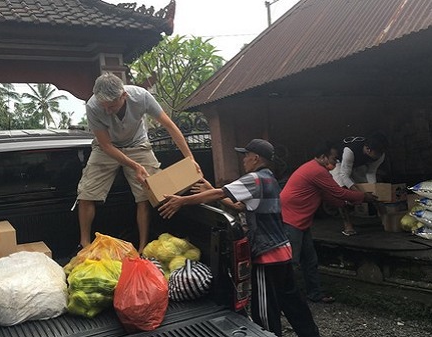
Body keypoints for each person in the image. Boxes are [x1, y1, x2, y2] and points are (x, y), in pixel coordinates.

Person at [159, 139, 320, 337]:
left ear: (256, 157)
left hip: (267, 254)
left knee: (264, 308)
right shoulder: (269, 178)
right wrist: (209, 187)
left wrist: (182, 201)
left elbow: (220, 193)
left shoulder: (255, 178)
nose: (243, 159)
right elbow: (239, 206)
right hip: (283, 250)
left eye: (245, 155)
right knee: (292, 300)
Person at [75, 72, 199, 253]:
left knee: (146, 195)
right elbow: (106, 145)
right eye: (104, 106)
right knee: (86, 192)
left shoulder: (142, 97)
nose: (108, 111)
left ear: (123, 96)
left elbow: (170, 126)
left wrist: (190, 158)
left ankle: (142, 248)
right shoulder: (93, 106)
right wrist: (135, 166)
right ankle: (84, 244)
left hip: (138, 144)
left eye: (112, 106)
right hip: (106, 149)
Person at [280, 140, 377, 303]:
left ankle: (314, 294)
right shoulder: (317, 171)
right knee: (291, 262)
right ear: (323, 157)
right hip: (291, 221)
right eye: (334, 158)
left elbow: (328, 196)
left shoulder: (313, 169)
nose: (335, 162)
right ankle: (284, 300)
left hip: (300, 222)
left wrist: (347, 203)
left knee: (310, 261)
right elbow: (338, 192)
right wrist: (363, 197)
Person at [331, 132, 388, 235]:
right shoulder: (350, 151)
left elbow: (371, 172)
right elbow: (344, 175)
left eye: (381, 153)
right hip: (340, 164)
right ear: (368, 149)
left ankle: (386, 221)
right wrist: (360, 194)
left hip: (358, 165)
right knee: (342, 192)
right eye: (377, 154)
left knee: (376, 193)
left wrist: (372, 189)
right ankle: (347, 225)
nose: (379, 156)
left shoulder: (380, 155)